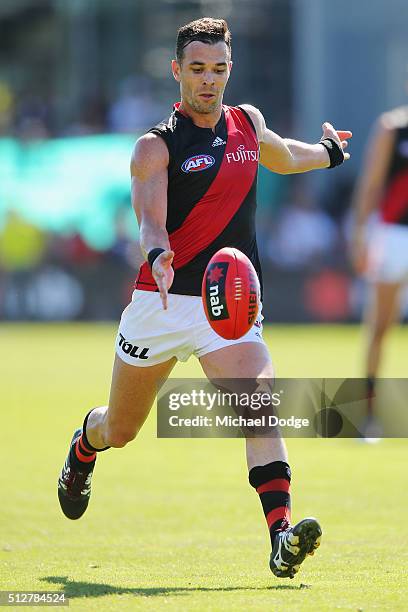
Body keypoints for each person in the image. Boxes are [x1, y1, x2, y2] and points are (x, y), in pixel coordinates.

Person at [58, 17, 351, 579]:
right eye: (197, 69)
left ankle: (281, 537)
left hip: (231, 306)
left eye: (218, 69)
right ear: (176, 72)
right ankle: (83, 447)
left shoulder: (246, 123)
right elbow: (149, 219)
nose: (208, 80)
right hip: (162, 304)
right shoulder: (155, 146)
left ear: (230, 70)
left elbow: (284, 155)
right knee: (120, 429)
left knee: (260, 408)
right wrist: (157, 254)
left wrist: (328, 152)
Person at [351, 104, 408, 438]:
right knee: (381, 326)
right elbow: (371, 184)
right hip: (393, 236)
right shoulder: (393, 127)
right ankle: (367, 414)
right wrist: (360, 235)